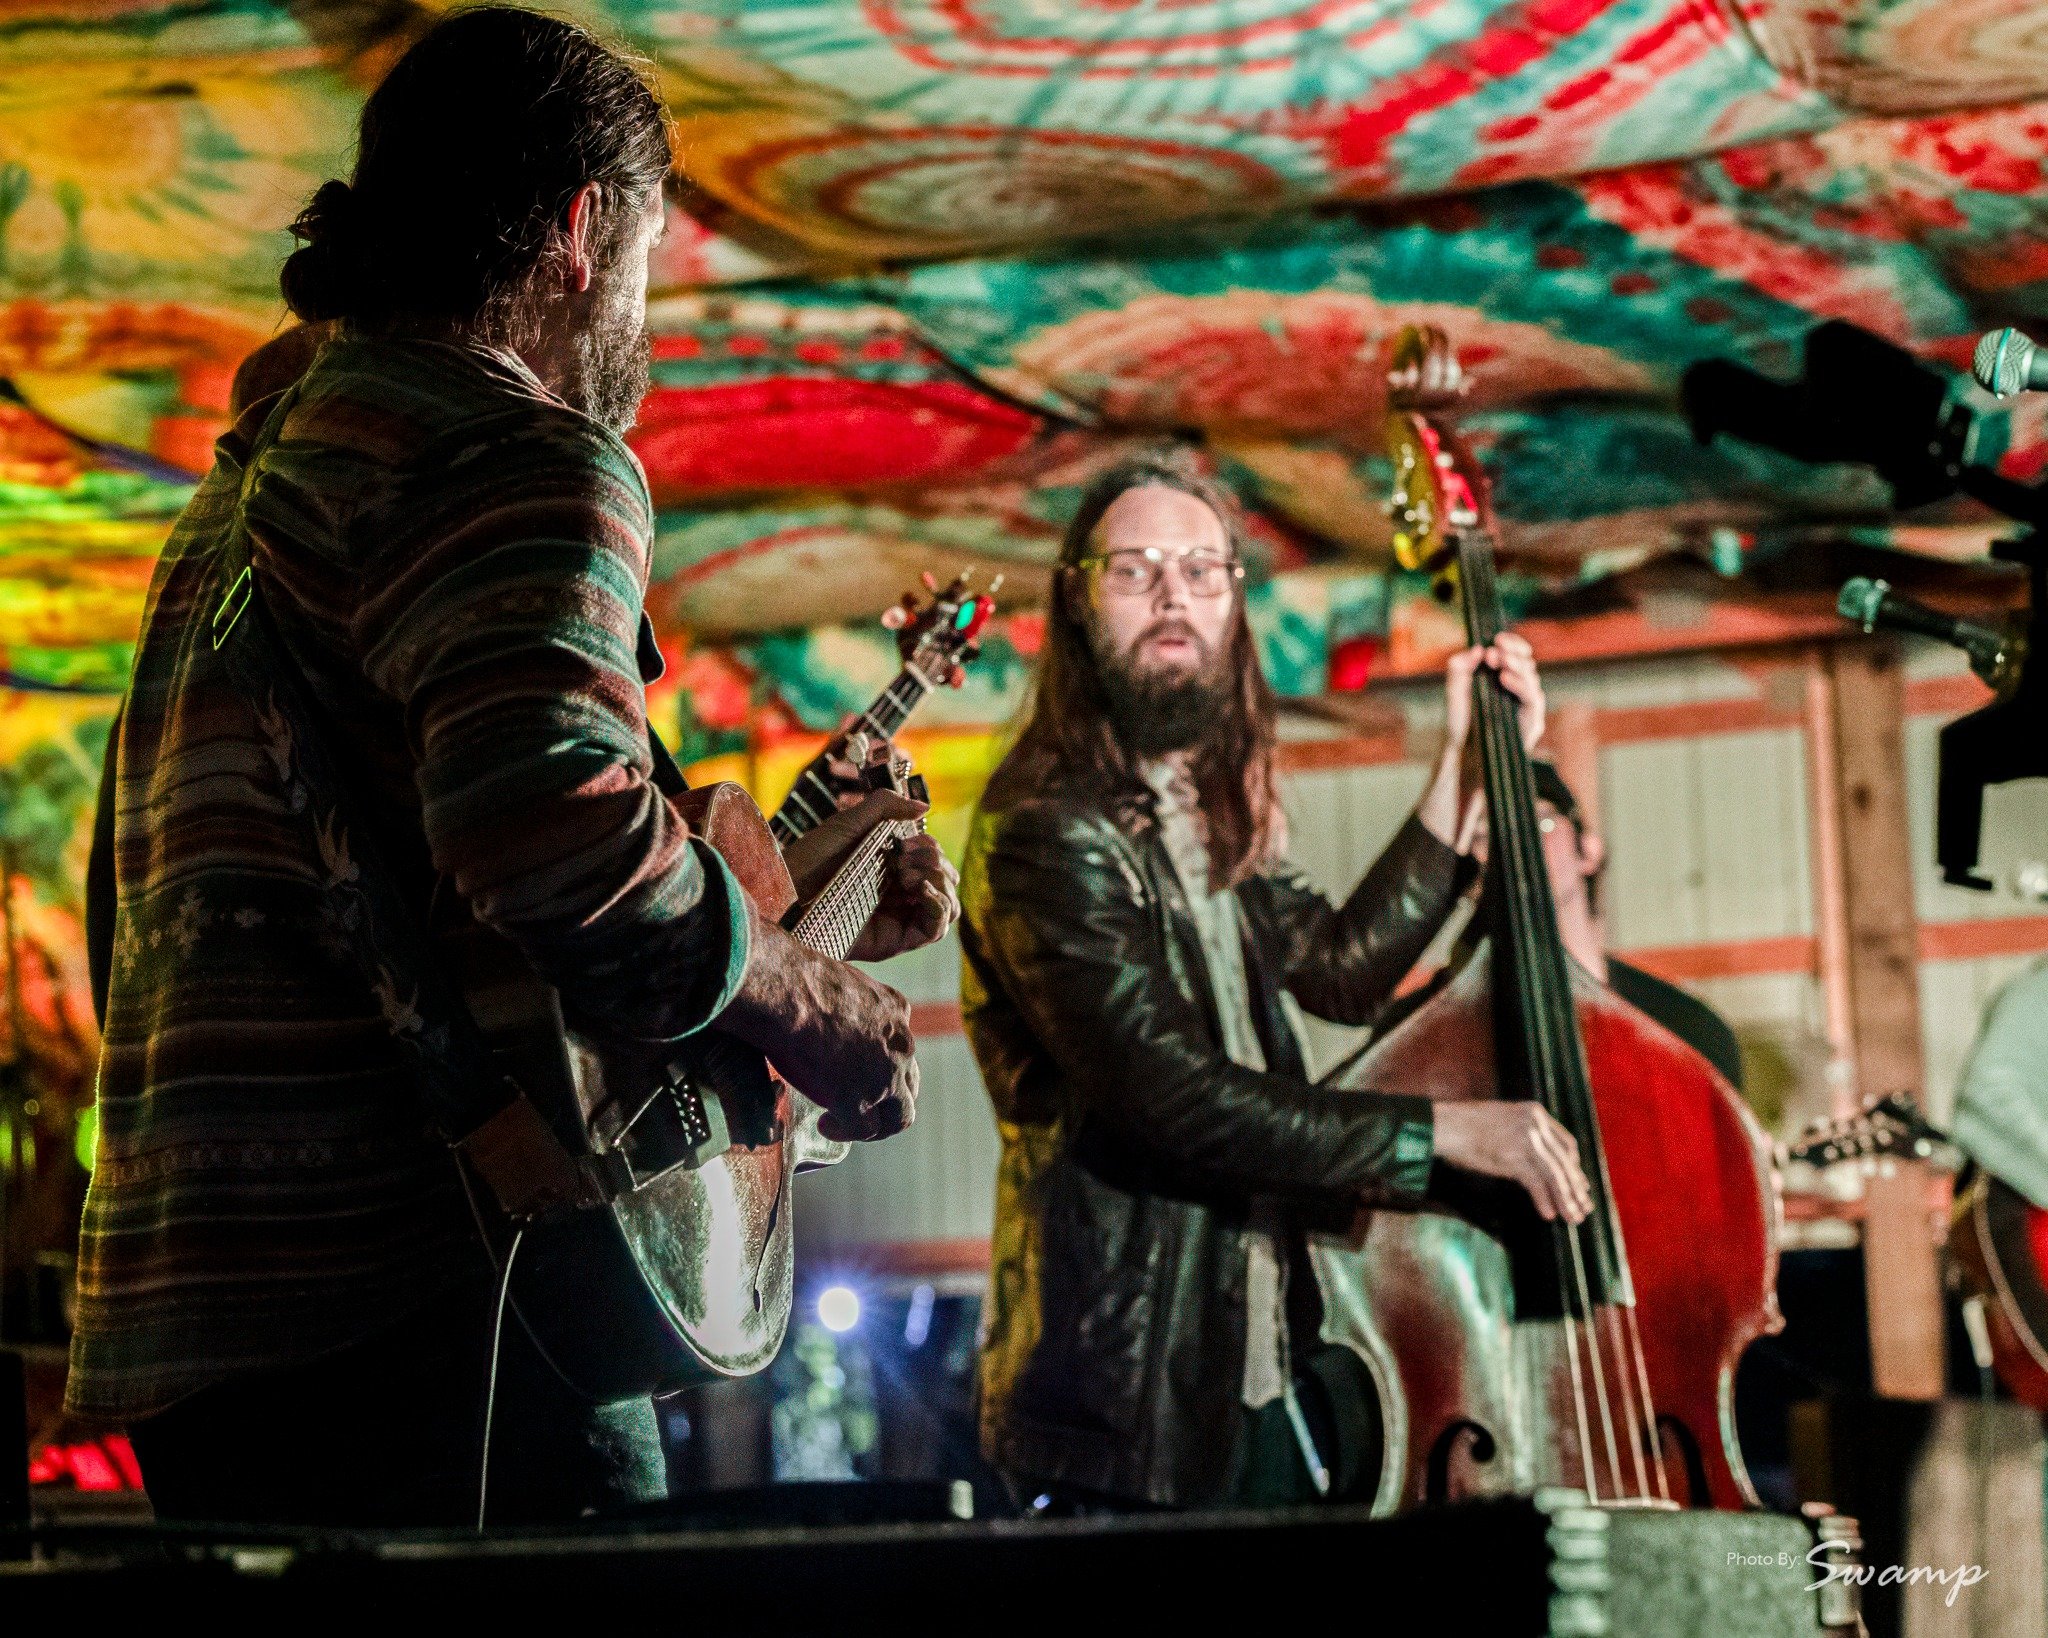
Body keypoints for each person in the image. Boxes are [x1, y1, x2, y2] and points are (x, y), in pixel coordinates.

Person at [69, 8, 956, 1527]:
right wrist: (813, 1004)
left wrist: (793, 910)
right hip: (433, 1307)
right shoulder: (511, 447)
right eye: (652, 262)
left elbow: (430, 871)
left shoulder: (252, 489)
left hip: (200, 1315)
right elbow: (555, 843)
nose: (645, 317)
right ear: (578, 231)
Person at [958, 450, 1593, 1512]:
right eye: (1136, 570)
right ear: (1075, 602)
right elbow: (1176, 1101)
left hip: (1254, 1367)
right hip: (1126, 1400)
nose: (1174, 597)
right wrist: (1444, 1132)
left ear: (1233, 605)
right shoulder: (1043, 828)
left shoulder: (1202, 808)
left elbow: (1339, 973)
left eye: (1202, 572)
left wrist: (1460, 769)